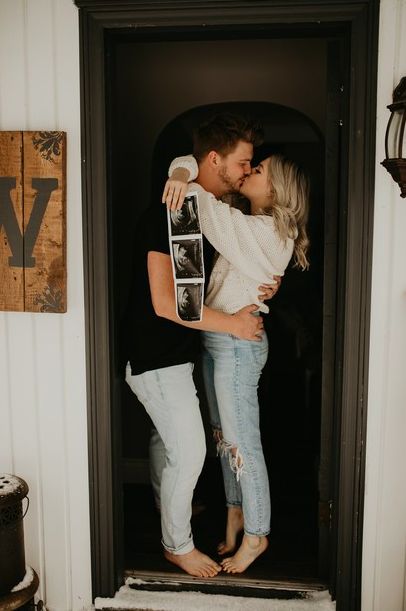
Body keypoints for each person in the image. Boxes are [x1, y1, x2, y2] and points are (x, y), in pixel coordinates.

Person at [123, 113, 279, 579]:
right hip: (157, 353)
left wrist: (265, 291)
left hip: (174, 352)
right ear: (214, 160)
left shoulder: (199, 209)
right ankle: (177, 544)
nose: (246, 172)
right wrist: (232, 324)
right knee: (189, 451)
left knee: (165, 440)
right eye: (243, 163)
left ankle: (171, 510)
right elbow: (170, 304)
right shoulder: (176, 213)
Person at [162, 147, 310, 573]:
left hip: (237, 348)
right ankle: (236, 514)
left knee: (244, 444)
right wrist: (182, 171)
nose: (249, 171)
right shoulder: (252, 224)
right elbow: (189, 163)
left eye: (258, 169)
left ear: (277, 187)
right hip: (218, 339)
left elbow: (202, 204)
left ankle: (257, 534)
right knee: (226, 442)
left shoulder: (266, 233)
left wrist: (182, 178)